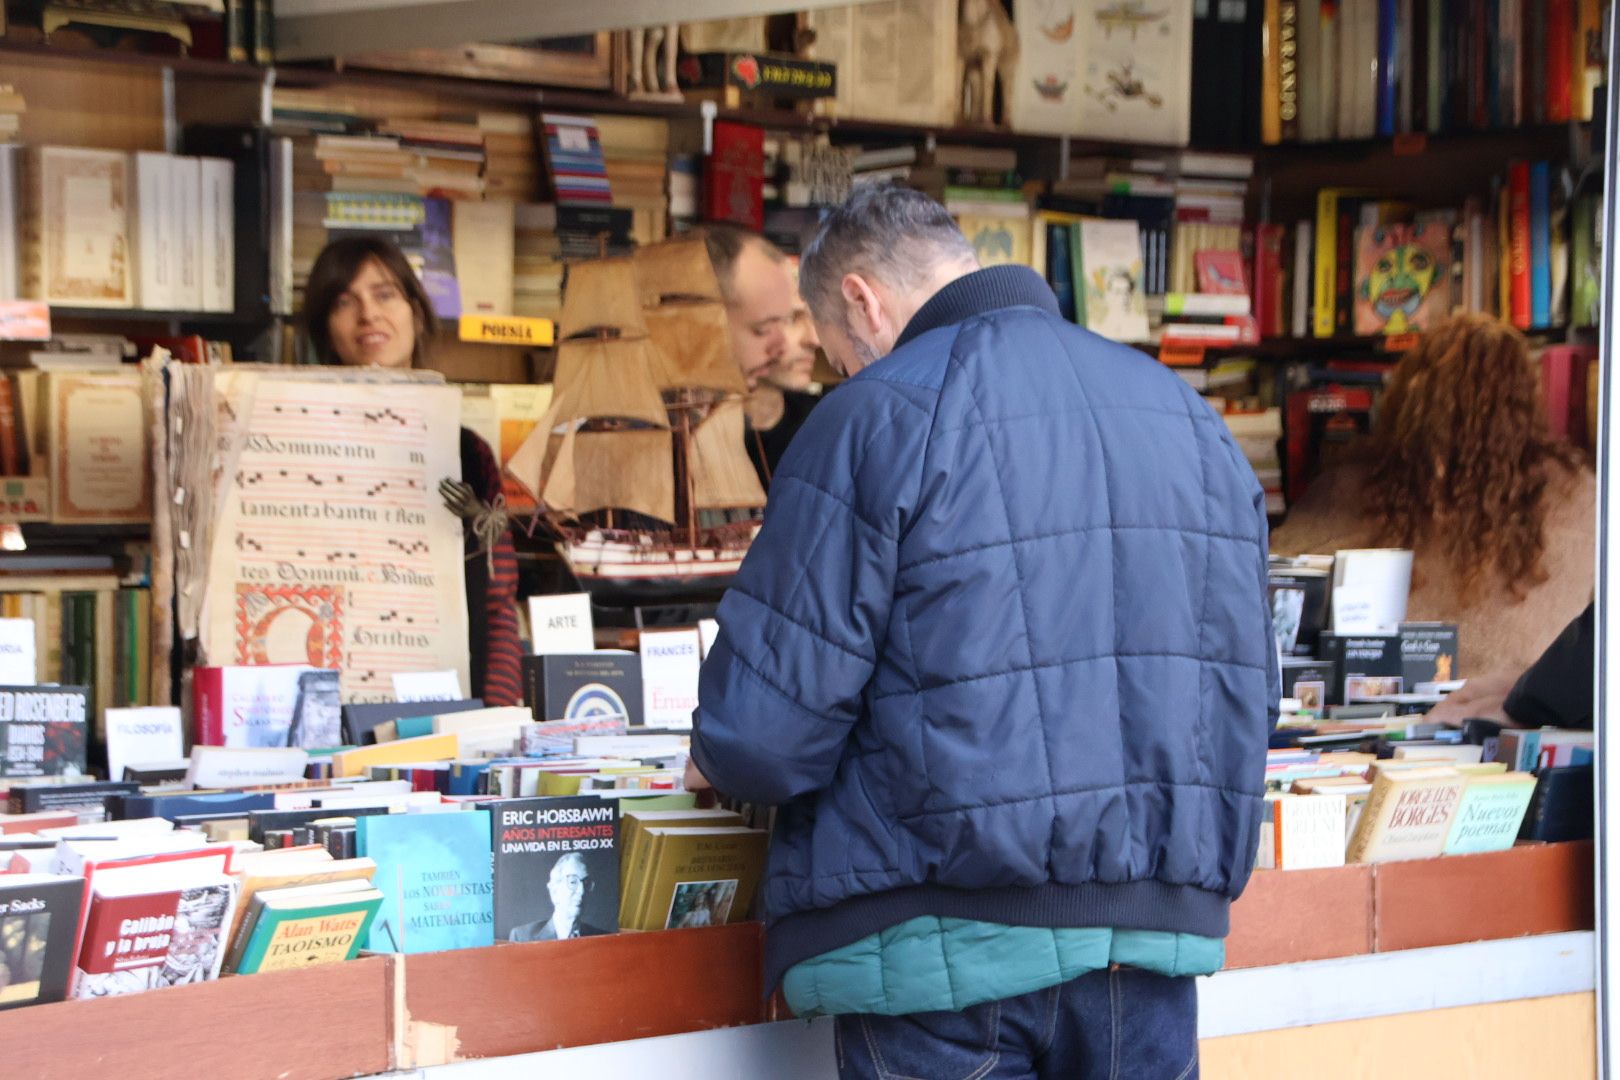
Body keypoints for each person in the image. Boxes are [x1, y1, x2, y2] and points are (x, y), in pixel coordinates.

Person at [688, 185, 1276, 1079]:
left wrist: (716, 758)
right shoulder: (1190, 418)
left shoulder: (875, 415)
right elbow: (1245, 686)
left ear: (862, 301)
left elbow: (768, 733)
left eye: (839, 351)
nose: (846, 371)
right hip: (1154, 952)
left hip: (941, 954)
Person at [1271, 313, 1595, 675]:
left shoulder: (1348, 491)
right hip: (1524, 716)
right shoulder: (1578, 495)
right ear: (1527, 401)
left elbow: (1273, 589)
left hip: (1375, 709)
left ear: (1410, 398)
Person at [302, 236, 523, 707]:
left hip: (449, 710)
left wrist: (500, 715)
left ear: (416, 312)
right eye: (345, 301)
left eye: (384, 294)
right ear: (325, 329)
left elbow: (498, 601)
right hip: (327, 703)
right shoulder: (291, 449)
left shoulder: (467, 453)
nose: (368, 315)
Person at [508, 852, 605, 941]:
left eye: (586, 883)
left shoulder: (602, 938)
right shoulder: (522, 938)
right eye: (572, 882)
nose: (582, 891)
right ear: (554, 891)